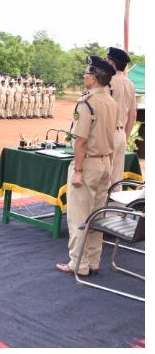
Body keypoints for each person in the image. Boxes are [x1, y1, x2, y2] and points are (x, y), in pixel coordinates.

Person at [56, 57, 118, 278]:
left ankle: (78, 263)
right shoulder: (111, 101)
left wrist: (79, 170)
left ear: (94, 77)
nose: (84, 76)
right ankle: (93, 261)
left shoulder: (87, 103)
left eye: (86, 73)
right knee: (96, 216)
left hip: (88, 164)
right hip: (105, 163)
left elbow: (80, 141)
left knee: (79, 216)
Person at [105, 47, 138, 186]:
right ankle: (115, 207)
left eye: (107, 59)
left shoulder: (107, 81)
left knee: (104, 176)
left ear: (112, 63)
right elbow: (133, 114)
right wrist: (124, 134)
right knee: (117, 178)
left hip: (107, 133)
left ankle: (101, 208)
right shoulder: (130, 84)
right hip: (121, 134)